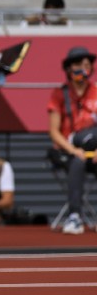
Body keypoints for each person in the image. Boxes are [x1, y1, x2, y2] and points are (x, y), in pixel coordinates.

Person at [46, 46, 97, 235]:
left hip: (93, 149)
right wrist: (73, 150)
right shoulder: (60, 94)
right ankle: (75, 216)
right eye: (77, 64)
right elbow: (54, 131)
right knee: (78, 161)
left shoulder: (96, 91)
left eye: (86, 64)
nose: (82, 68)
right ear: (68, 68)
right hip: (66, 151)